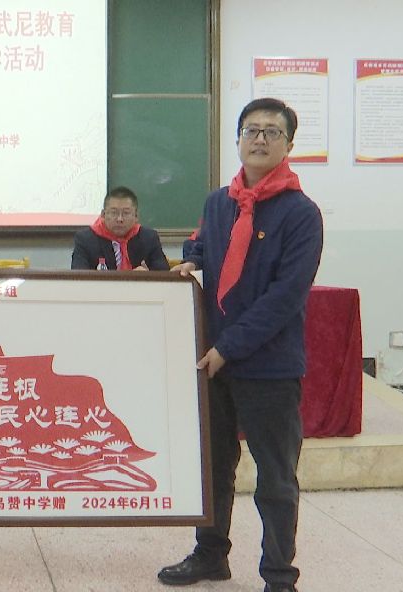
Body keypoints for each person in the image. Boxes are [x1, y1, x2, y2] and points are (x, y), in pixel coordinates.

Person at [162, 98, 323, 592]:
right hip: (214, 362)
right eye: (251, 130)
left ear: (288, 145)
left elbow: (285, 297)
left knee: (275, 478)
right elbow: (205, 244)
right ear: (237, 139)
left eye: (272, 132)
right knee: (213, 469)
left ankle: (279, 575)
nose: (260, 139)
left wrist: (229, 347)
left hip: (268, 367)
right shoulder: (220, 202)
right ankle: (211, 556)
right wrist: (192, 260)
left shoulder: (301, 213)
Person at [70, 186, 169, 270]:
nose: (120, 219)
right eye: (114, 213)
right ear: (103, 215)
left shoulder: (149, 238)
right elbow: (78, 276)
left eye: (126, 213)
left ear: (136, 216)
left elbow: (163, 274)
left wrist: (147, 276)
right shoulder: (85, 239)